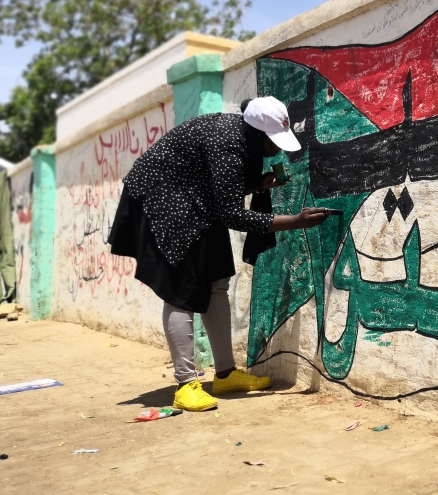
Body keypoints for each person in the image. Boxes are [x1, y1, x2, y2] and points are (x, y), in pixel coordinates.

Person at [108, 96, 330, 412]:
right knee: (181, 292)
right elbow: (232, 215)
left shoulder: (242, 137)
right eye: (274, 142)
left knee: (216, 281)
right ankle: (186, 385)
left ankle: (225, 374)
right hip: (163, 201)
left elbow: (219, 188)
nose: (278, 150)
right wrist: (294, 222)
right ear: (258, 133)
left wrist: (258, 184)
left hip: (196, 201)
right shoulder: (229, 145)